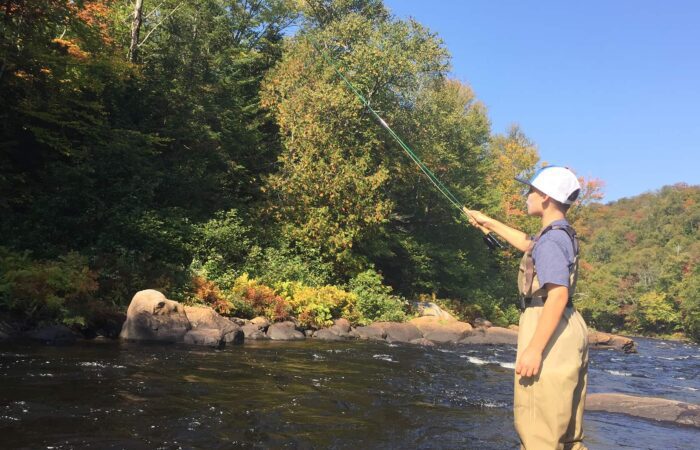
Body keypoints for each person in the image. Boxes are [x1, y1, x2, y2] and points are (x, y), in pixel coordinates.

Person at [466, 166, 589, 450]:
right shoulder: (560, 233)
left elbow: (557, 295)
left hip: (548, 324)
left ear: (545, 197)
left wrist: (534, 349)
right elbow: (526, 243)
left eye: (531, 191)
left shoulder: (551, 241)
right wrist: (487, 221)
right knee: (568, 437)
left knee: (539, 436)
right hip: (568, 326)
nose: (527, 196)